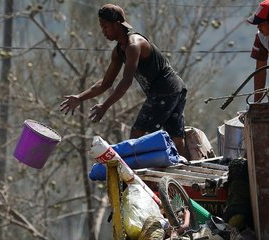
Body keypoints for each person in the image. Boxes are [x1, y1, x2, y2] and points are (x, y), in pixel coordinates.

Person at [60, 3, 188, 157]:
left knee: (139, 132)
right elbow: (105, 83)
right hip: (175, 89)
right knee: (175, 135)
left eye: (105, 26)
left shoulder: (134, 44)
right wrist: (80, 98)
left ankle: (134, 175)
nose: (103, 31)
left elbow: (126, 82)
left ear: (117, 25)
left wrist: (105, 106)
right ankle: (183, 167)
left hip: (166, 89)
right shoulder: (118, 52)